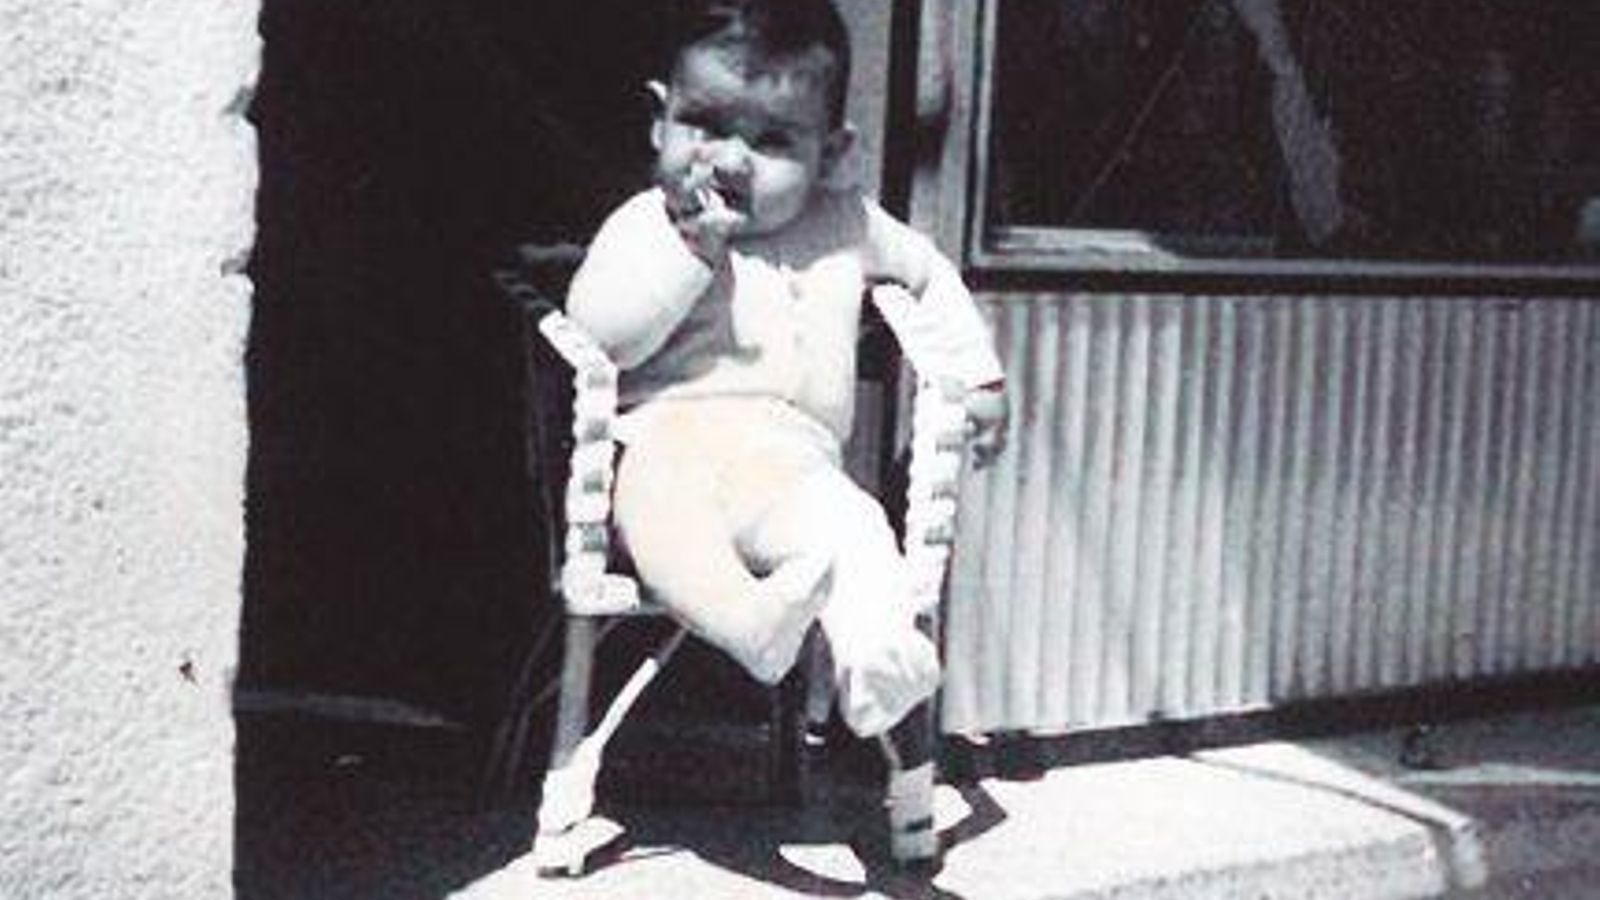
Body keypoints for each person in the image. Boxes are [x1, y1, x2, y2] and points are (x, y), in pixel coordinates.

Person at [566, 0, 1007, 861]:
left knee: (853, 526)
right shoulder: (648, 224)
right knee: (664, 522)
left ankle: (878, 659)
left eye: (771, 142)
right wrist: (691, 254)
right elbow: (599, 333)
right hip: (669, 440)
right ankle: (749, 623)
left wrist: (979, 374)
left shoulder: (846, 222)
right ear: (659, 119)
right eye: (702, 124)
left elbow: (927, 274)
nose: (729, 159)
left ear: (831, 153)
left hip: (790, 460)